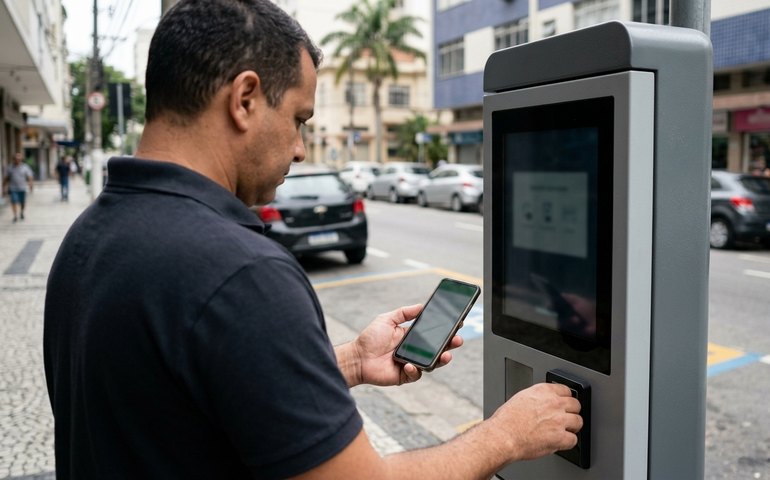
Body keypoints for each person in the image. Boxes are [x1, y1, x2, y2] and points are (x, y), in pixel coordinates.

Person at [43, 1, 582, 479]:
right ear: (246, 98)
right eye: (299, 119)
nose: (301, 149)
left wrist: (347, 362)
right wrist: (505, 435)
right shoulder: (241, 273)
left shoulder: (88, 237)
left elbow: (180, 400)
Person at [3, 152, 34, 222]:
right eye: (16, 158)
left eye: (19, 158)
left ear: (21, 159)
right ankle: (15, 215)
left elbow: (29, 177)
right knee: (13, 201)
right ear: (14, 159)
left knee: (22, 202)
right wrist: (4, 187)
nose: (17, 160)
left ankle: (22, 212)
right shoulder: (10, 167)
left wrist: (31, 184)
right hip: (13, 188)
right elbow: (6, 178)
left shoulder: (25, 167)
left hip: (22, 188)